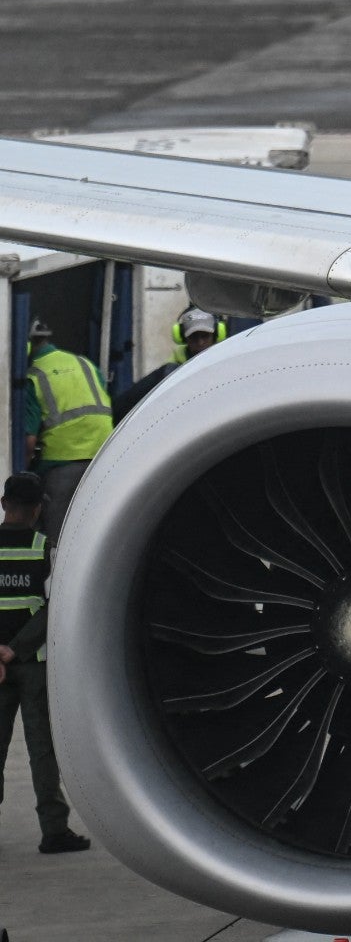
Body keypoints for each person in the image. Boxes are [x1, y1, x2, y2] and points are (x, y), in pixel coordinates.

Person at [0, 472, 90, 854]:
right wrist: (16, 649)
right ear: (38, 508)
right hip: (34, 664)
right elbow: (54, 607)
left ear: (4, 504)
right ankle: (54, 831)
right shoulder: (43, 548)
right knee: (42, 750)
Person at [22, 319, 112, 544]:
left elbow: (29, 442)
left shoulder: (33, 376)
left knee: (58, 540)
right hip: (104, 457)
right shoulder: (84, 363)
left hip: (61, 461)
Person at [113, 307, 222, 421]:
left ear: (216, 336)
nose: (200, 342)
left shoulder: (226, 365)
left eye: (205, 336)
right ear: (183, 337)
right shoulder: (168, 373)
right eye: (194, 337)